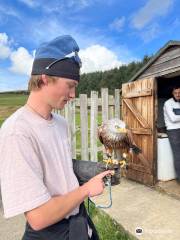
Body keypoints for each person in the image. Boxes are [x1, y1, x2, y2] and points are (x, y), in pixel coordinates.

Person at [0, 35, 114, 240]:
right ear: (45, 78)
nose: (73, 94)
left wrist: (89, 170)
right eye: (70, 85)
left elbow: (58, 168)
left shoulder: (61, 124)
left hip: (79, 221)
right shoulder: (17, 132)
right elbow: (38, 217)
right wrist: (87, 189)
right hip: (50, 233)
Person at [163, 85, 180, 182]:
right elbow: (173, 119)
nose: (178, 95)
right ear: (172, 93)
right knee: (178, 155)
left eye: (179, 93)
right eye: (176, 93)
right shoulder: (168, 103)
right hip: (173, 131)